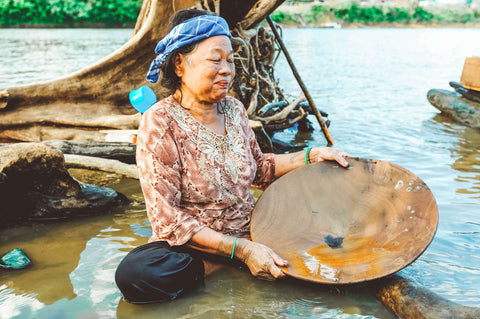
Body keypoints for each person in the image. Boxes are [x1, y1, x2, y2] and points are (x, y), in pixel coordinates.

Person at [115, 8, 351, 304]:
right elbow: (168, 219)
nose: (228, 69)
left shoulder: (234, 109)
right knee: (136, 274)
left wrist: (311, 155)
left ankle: (248, 257)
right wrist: (242, 250)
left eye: (231, 60)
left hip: (254, 228)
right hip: (196, 245)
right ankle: (228, 263)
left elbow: (261, 169)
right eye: (216, 59)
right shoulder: (159, 121)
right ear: (179, 65)